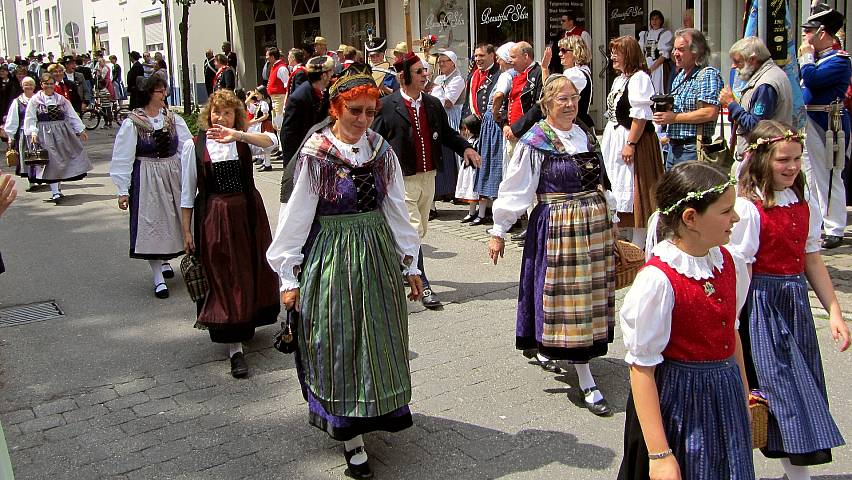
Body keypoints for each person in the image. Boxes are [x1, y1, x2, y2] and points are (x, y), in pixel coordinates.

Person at [266, 66, 423, 480]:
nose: (364, 120)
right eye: (356, 111)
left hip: (375, 254)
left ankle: (375, 409)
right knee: (339, 341)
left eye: (371, 112)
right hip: (332, 257)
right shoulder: (317, 154)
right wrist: (289, 277)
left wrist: (410, 261)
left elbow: (395, 207)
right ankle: (350, 437)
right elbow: (295, 218)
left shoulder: (379, 149)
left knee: (379, 338)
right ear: (335, 108)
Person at [488, 75, 616, 416]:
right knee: (569, 297)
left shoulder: (585, 133)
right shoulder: (536, 140)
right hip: (559, 227)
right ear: (546, 104)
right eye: (563, 99)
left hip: (594, 226)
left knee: (587, 297)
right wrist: (499, 229)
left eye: (574, 98)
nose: (571, 104)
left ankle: (553, 348)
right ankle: (585, 378)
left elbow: (601, 178)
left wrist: (612, 216)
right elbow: (517, 188)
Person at [728, 120, 849, 479]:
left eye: (796, 158)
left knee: (802, 386)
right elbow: (740, 269)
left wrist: (836, 312)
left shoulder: (801, 198)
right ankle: (797, 474)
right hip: (763, 307)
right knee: (781, 392)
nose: (793, 166)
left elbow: (812, 257)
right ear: (763, 159)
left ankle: (796, 472)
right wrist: (731, 320)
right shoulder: (749, 209)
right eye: (784, 159)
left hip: (794, 304)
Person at [618, 162, 754, 479]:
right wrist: (660, 455)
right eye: (725, 211)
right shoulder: (658, 281)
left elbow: (731, 334)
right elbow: (642, 370)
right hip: (681, 402)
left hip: (726, 394)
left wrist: (744, 396)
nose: (735, 218)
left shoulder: (731, 261)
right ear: (691, 218)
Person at [179, 89, 280, 378]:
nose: (220, 117)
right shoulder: (195, 146)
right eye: (216, 112)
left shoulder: (244, 141)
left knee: (249, 269)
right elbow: (188, 193)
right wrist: (186, 231)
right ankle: (234, 345)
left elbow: (273, 142)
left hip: (247, 212)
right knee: (224, 273)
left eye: (226, 112)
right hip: (214, 216)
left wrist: (240, 135)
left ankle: (245, 322)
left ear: (236, 115)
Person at [372, 52, 481, 309]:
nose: (426, 75)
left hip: (428, 175)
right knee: (412, 230)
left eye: (425, 71)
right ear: (404, 76)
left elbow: (446, 134)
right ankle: (422, 282)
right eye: (420, 71)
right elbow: (373, 141)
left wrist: (465, 147)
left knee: (418, 229)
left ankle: (398, 267)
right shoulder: (387, 106)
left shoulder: (432, 103)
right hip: (402, 178)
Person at [110, 76, 193, 298]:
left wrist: (193, 174)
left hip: (171, 175)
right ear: (149, 94)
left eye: (164, 90)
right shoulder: (133, 122)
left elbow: (186, 147)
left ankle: (165, 259)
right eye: (159, 91)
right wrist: (122, 190)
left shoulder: (172, 119)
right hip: (146, 176)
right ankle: (157, 276)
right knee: (151, 224)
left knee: (174, 220)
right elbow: (123, 157)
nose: (164, 94)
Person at [601, 36, 664, 248]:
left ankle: (640, 243)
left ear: (628, 54)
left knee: (637, 191)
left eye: (617, 53)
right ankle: (625, 238)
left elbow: (640, 116)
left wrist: (631, 143)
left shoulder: (639, 79)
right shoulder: (621, 79)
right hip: (617, 138)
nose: (613, 57)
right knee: (618, 189)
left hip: (635, 140)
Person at [799, 4, 851, 249]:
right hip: (810, 120)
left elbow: (812, 78)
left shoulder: (839, 61)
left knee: (830, 175)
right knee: (810, 174)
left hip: (829, 122)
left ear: (822, 33)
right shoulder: (817, 59)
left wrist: (807, 57)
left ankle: (834, 227)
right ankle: (816, 221)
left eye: (809, 31)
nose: (805, 36)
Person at [652, 28, 723, 169]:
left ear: (697, 51)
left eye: (681, 49)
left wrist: (673, 118)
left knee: (689, 190)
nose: (675, 54)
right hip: (674, 147)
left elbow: (710, 113)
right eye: (674, 49)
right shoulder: (680, 76)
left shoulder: (707, 75)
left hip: (692, 148)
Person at [719, 37, 793, 168]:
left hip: (761, 158)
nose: (734, 66)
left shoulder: (766, 83)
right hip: (765, 155)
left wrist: (731, 104)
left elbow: (757, 126)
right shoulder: (771, 75)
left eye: (737, 62)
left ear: (752, 59)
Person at [24, 73, 91, 202]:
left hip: (61, 132)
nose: (49, 86)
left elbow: (71, 114)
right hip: (45, 132)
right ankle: (55, 191)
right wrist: (33, 132)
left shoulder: (61, 99)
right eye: (46, 84)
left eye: (51, 84)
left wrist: (80, 129)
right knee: (52, 162)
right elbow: (30, 117)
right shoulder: (35, 100)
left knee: (61, 161)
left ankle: (58, 188)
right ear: (41, 85)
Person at [462, 43, 501, 225]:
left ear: (492, 55)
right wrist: (466, 123)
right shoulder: (473, 75)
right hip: (477, 126)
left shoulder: (499, 74)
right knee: (479, 169)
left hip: (493, 127)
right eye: (476, 56)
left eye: (481, 55)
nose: (478, 59)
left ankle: (497, 210)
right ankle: (481, 209)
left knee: (494, 170)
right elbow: (467, 101)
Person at [278, 56, 333, 168]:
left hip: (318, 151)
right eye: (330, 72)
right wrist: (291, 165)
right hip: (303, 153)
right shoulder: (298, 98)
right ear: (323, 76)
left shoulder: (325, 91)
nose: (332, 75)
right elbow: (288, 134)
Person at [431, 50, 466, 206]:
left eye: (445, 61)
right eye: (440, 61)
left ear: (453, 62)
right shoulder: (439, 78)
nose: (442, 64)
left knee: (456, 155)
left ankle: (460, 191)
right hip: (442, 117)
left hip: (453, 117)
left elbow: (448, 101)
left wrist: (436, 89)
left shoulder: (458, 79)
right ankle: (447, 188)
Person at [543, 35, 595, 130]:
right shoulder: (581, 71)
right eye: (559, 51)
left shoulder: (574, 74)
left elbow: (549, 93)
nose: (559, 54)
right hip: (579, 123)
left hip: (576, 126)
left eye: (564, 50)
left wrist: (544, 68)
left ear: (576, 52)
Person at [4, 77, 42, 189]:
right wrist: (10, 136)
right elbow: (13, 119)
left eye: (31, 84)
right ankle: (32, 180)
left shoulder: (39, 99)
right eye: (26, 84)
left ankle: (41, 177)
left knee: (41, 156)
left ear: (35, 86)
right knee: (28, 157)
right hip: (24, 133)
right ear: (22, 86)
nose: (29, 87)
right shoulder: (17, 101)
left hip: (39, 131)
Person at [639, 10, 673, 95]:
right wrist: (644, 68)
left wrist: (651, 69)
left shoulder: (665, 34)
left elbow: (664, 55)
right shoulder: (645, 34)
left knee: (658, 89)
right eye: (652, 19)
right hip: (646, 66)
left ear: (661, 20)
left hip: (659, 67)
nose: (654, 21)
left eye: (657, 19)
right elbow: (641, 52)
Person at [455, 114, 481, 212]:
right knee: (467, 187)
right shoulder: (467, 141)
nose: (464, 131)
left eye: (466, 129)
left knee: (472, 189)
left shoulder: (477, 142)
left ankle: (475, 212)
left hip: (473, 169)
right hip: (467, 169)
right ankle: (471, 211)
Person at [246, 86, 274, 170]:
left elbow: (266, 115)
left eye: (257, 94)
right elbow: (248, 103)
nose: (256, 95)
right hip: (259, 124)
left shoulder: (264, 103)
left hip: (263, 125)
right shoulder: (260, 103)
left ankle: (267, 164)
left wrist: (255, 121)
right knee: (262, 145)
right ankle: (266, 163)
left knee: (264, 145)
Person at [265, 47, 289, 130]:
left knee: (280, 123)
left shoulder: (281, 68)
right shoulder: (275, 67)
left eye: (267, 55)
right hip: (274, 99)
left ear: (272, 56)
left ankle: (282, 142)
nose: (266, 57)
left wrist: (285, 100)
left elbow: (287, 85)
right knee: (275, 124)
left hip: (280, 98)